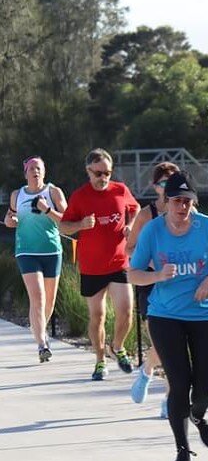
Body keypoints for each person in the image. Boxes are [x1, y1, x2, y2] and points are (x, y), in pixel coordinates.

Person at [128, 171, 208, 461]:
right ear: (165, 202)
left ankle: (198, 416)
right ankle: (182, 449)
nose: (182, 207)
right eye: (176, 201)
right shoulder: (152, 231)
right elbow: (133, 274)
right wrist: (158, 275)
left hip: (207, 314)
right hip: (165, 315)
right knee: (179, 382)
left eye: (187, 201)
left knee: (206, 388)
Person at [59, 149, 140, 381]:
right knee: (98, 315)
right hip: (92, 267)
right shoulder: (79, 197)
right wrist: (82, 224)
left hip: (119, 262)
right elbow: (64, 227)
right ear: (88, 171)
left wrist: (130, 225)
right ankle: (100, 360)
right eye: (99, 173)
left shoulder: (120, 190)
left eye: (108, 172)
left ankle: (117, 346)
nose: (104, 177)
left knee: (125, 311)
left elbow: (133, 208)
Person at [125, 162, 180, 417]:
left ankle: (168, 396)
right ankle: (148, 373)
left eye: (172, 181)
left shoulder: (185, 209)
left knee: (175, 344)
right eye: (162, 183)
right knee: (163, 342)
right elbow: (129, 248)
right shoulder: (147, 215)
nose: (167, 188)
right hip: (151, 283)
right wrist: (152, 263)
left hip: (180, 284)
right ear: (155, 186)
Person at [3, 156, 68, 362]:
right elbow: (10, 218)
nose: (35, 172)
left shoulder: (53, 192)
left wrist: (47, 209)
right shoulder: (17, 195)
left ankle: (40, 331)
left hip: (51, 250)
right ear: (25, 173)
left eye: (38, 168)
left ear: (44, 171)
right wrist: (9, 221)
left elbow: (67, 220)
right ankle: (42, 344)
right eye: (31, 168)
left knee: (48, 302)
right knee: (37, 297)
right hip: (26, 250)